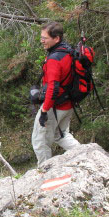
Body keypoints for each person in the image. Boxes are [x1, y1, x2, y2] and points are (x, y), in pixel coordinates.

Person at [31, 21, 80, 166]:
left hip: (54, 107)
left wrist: (44, 110)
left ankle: (45, 171)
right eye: (41, 37)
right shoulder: (68, 51)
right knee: (61, 134)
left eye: (45, 38)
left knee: (40, 140)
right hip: (68, 103)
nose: (42, 41)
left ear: (56, 38)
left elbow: (53, 88)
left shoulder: (54, 59)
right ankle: (84, 153)